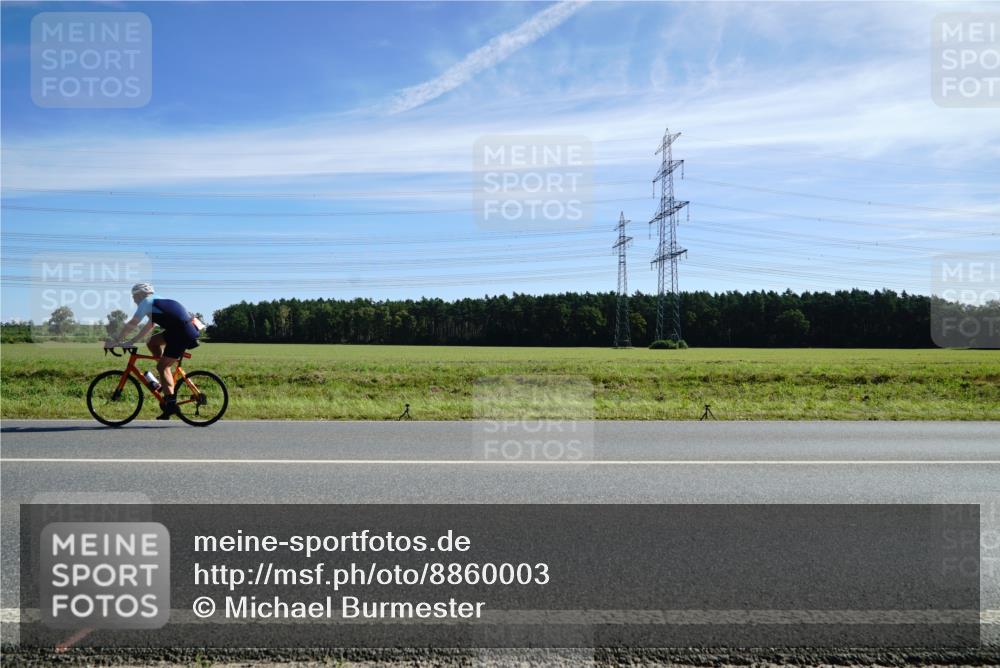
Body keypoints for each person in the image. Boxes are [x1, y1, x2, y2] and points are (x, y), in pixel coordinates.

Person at [107, 283, 201, 420]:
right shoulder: (156, 301)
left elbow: (133, 323)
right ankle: (165, 379)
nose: (134, 300)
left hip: (181, 332)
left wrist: (116, 340)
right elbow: (150, 325)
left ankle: (170, 403)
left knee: (162, 366)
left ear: (140, 294)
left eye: (134, 297)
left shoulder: (146, 302)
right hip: (179, 329)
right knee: (151, 343)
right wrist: (132, 341)